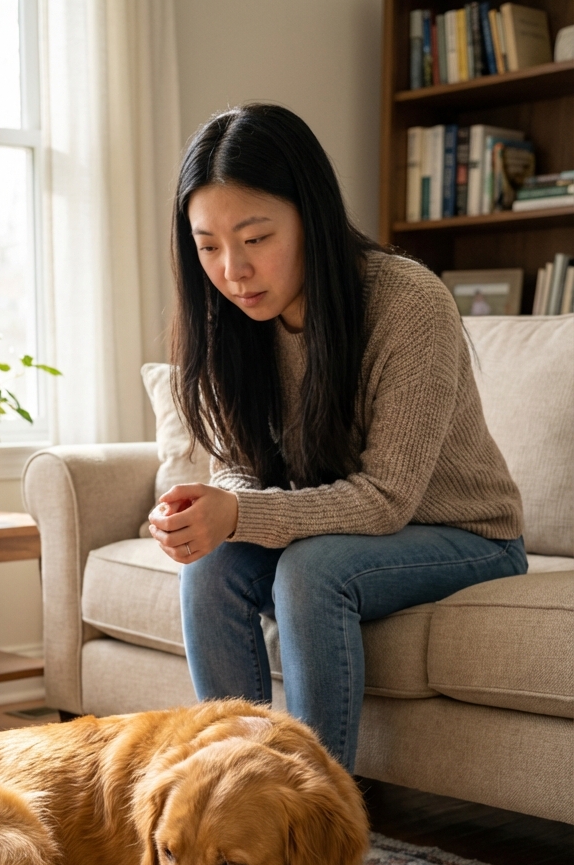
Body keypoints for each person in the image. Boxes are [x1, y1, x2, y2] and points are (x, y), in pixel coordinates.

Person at [148, 104, 526, 773]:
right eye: (208, 246)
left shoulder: (406, 301)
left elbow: (386, 500)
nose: (233, 270)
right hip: (342, 529)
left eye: (255, 238)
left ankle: (321, 817)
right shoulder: (232, 320)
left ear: (310, 216)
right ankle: (235, 794)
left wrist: (240, 513)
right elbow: (241, 466)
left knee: (310, 571)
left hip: (467, 535)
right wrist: (213, 508)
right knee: (210, 564)